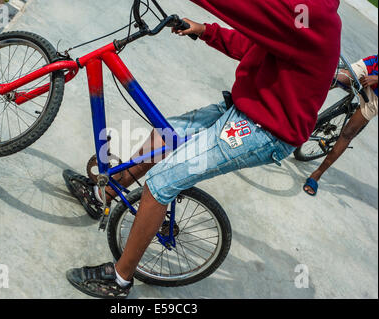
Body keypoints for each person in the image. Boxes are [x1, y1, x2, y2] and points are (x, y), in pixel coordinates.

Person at [64, 0, 342, 298]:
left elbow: (244, 6)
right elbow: (254, 44)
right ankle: (102, 194)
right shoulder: (298, 16)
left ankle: (119, 280)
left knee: (162, 182)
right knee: (166, 134)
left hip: (264, 128)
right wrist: (205, 31)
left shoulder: (310, 14)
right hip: (245, 107)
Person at [303, 55, 378, 196]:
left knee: (348, 133)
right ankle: (292, 115)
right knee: (331, 79)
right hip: (371, 67)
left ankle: (317, 174)